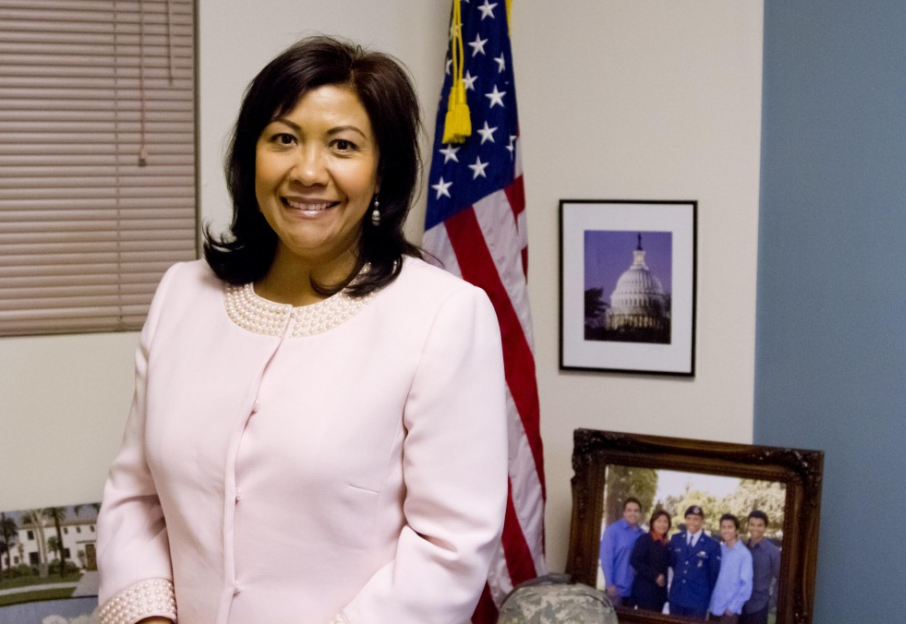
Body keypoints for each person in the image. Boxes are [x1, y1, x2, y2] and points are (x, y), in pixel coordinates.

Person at [94, 36, 509, 624]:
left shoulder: (444, 315)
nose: (308, 171)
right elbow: (136, 498)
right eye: (283, 139)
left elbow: (450, 547)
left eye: (342, 145)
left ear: (381, 170)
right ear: (251, 156)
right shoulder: (181, 296)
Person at [668, 505, 721, 620]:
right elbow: (673, 563)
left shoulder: (712, 544)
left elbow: (713, 574)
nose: (692, 522)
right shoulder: (676, 539)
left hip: (697, 601)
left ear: (702, 521)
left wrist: (704, 597)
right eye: (689, 518)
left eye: (696, 519)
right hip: (677, 597)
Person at [599, 497, 644, 608]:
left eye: (636, 510)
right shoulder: (613, 531)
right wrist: (610, 583)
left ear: (640, 513)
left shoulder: (643, 534)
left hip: (634, 591)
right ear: (624, 513)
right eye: (629, 510)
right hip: (616, 590)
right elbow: (606, 558)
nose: (632, 513)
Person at [708, 514, 753, 622]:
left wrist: (732, 608)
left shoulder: (744, 554)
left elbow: (746, 586)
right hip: (713, 608)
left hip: (728, 613)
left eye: (730, 527)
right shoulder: (719, 550)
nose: (726, 530)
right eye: (723, 527)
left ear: (736, 530)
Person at [740, 510, 781, 624]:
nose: (755, 529)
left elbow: (780, 579)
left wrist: (771, 602)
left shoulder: (773, 552)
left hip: (759, 607)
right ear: (748, 525)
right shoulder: (741, 548)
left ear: (765, 527)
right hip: (740, 605)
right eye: (752, 525)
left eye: (759, 525)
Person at [629, 509, 672, 613]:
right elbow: (634, 560)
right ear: (652, 523)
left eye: (665, 521)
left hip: (659, 594)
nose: (662, 524)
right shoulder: (645, 539)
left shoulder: (667, 543)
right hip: (645, 592)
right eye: (659, 521)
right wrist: (655, 575)